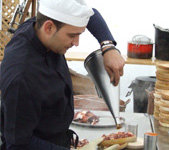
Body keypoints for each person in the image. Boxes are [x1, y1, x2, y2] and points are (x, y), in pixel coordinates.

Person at [0, 0, 125, 149]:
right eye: (72, 35)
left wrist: (108, 46)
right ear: (49, 27)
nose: (76, 42)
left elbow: (91, 15)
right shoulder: (21, 77)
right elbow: (18, 144)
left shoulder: (39, 26)